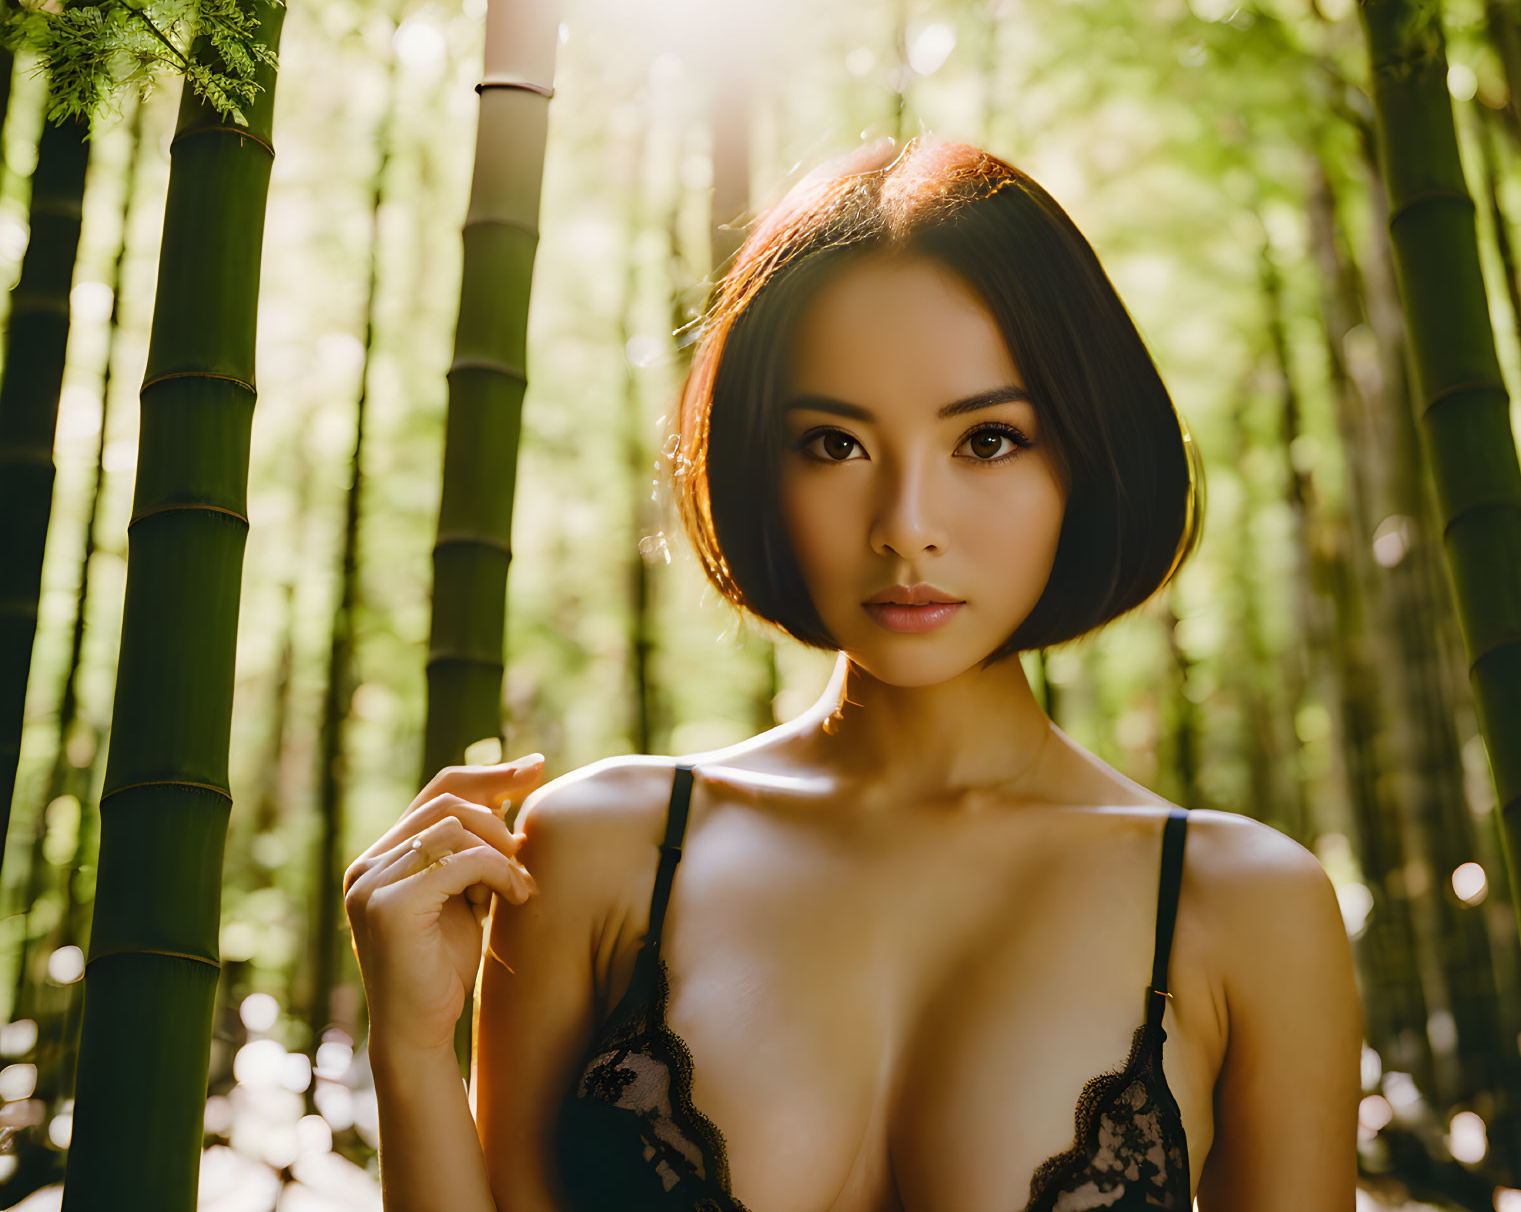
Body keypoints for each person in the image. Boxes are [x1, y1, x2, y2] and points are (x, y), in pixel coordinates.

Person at [345, 136, 1364, 1212]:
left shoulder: (1239, 908)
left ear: (1085, 453)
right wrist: (411, 1057)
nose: (906, 527)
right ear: (756, 463)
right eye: (834, 445)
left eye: (986, 440)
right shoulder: (597, 854)